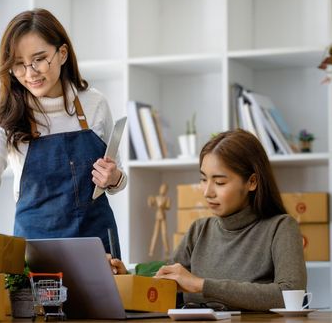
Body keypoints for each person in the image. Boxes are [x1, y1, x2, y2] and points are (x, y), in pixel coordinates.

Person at [0, 8, 126, 257]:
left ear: (62, 53)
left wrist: (113, 178)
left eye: (39, 59)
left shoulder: (95, 104)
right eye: (19, 65)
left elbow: (116, 178)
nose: (30, 74)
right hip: (36, 256)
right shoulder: (5, 120)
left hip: (97, 251)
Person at [110, 129, 307, 311]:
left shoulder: (281, 228)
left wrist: (201, 285)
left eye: (219, 182)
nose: (207, 192)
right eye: (204, 179)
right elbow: (165, 284)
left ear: (252, 182)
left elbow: (290, 295)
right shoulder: (199, 230)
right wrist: (126, 277)